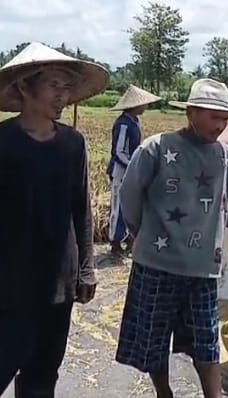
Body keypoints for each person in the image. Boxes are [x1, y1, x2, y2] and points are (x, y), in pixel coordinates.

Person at [115, 78, 228, 398]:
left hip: (203, 268)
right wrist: (140, 233)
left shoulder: (224, 157)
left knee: (206, 341)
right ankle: (163, 391)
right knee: (153, 340)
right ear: (192, 113)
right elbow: (129, 193)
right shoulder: (158, 148)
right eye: (215, 117)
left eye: (225, 119)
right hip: (157, 264)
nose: (221, 125)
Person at [0, 42, 106, 397]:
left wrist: (87, 267)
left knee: (42, 378)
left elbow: (81, 208)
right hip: (9, 286)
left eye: (67, 87)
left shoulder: (72, 145)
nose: (62, 96)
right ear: (23, 87)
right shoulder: (4, 143)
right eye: (53, 86)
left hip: (58, 284)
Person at [107, 84, 162, 255]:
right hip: (121, 171)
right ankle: (115, 242)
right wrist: (134, 164)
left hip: (133, 169)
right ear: (135, 105)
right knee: (119, 206)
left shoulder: (135, 122)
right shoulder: (123, 124)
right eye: (143, 104)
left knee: (134, 205)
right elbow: (119, 151)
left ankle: (129, 240)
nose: (146, 107)